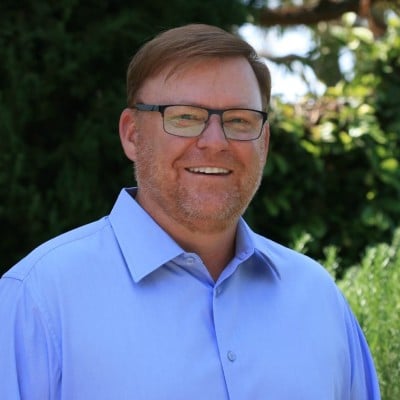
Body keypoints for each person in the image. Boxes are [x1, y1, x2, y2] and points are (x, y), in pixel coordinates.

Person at [0, 24, 380, 400]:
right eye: (184, 117)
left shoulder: (318, 298)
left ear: (263, 142)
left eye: (239, 120)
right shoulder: (38, 300)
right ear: (132, 134)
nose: (215, 142)